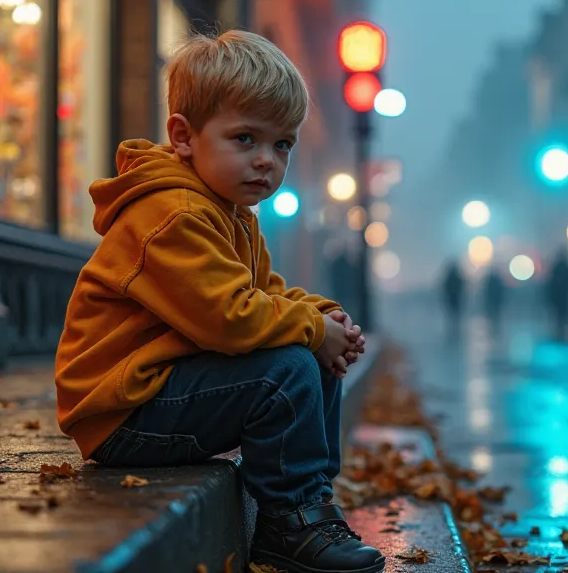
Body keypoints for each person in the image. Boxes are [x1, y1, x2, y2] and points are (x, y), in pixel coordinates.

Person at [54, 30, 383, 573]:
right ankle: (289, 522)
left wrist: (324, 317)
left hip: (165, 387)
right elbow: (227, 319)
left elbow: (264, 294)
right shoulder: (173, 215)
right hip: (121, 410)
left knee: (307, 353)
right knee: (288, 366)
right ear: (184, 136)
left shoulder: (230, 212)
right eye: (245, 139)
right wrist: (309, 330)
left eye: (281, 145)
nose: (265, 162)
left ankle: (310, 502)